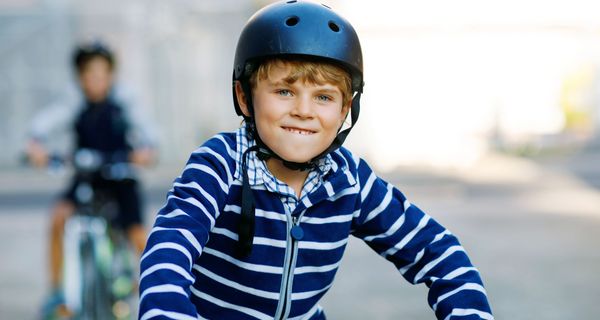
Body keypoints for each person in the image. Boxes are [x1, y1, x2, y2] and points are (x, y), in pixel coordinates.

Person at [138, 1, 493, 319]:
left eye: (323, 97)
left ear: (345, 110)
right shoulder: (220, 164)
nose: (303, 111)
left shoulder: (348, 179)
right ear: (245, 97)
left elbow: (437, 251)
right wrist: (167, 310)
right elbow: (170, 248)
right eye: (284, 91)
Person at [26, 40, 158, 318]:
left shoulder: (124, 101)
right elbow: (45, 122)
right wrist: (36, 145)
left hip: (120, 176)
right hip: (86, 177)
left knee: (138, 235)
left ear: (111, 75)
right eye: (88, 74)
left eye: (101, 73)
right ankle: (58, 292)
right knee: (59, 217)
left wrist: (146, 151)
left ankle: (155, 288)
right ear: (80, 77)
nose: (95, 80)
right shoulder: (75, 101)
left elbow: (149, 134)